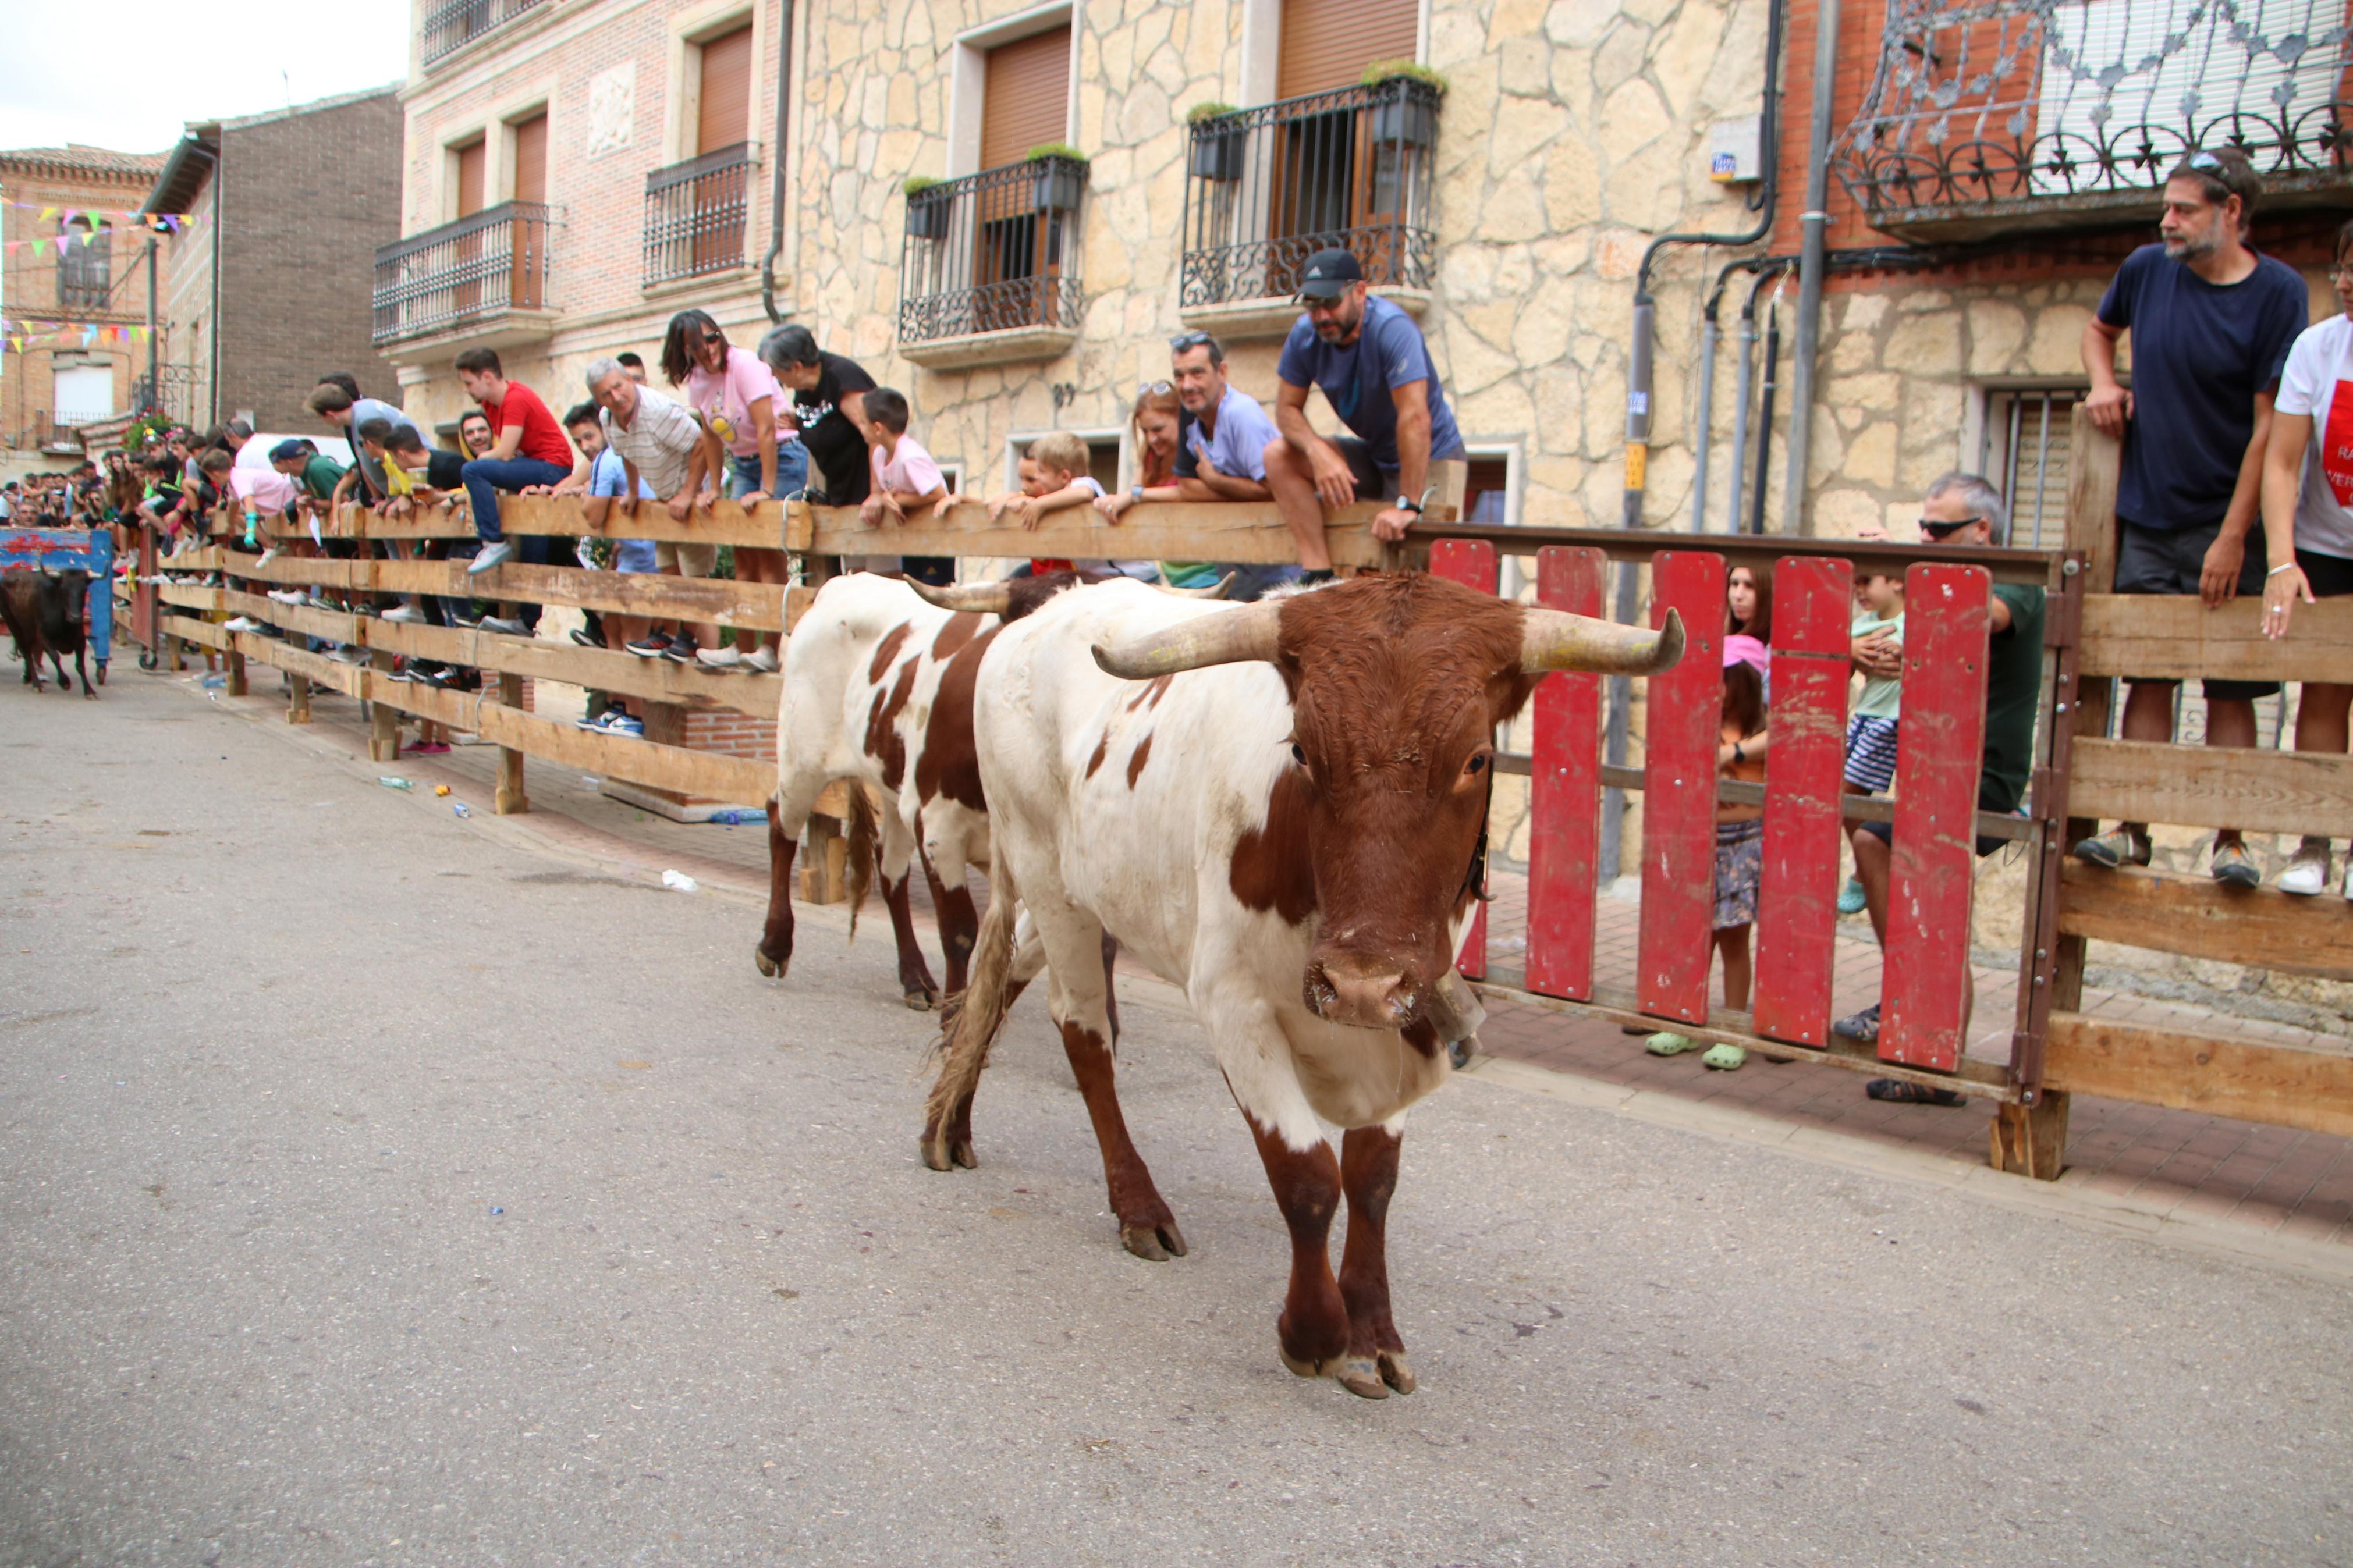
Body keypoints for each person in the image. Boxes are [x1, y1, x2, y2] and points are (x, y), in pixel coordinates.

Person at [2075, 147, 2308, 888]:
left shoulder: (2277, 293)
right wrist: (2103, 383)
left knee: (2231, 682)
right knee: (2148, 675)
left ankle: (2229, 842)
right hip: (2147, 514)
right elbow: (2095, 330)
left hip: (2228, 521)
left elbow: (2268, 428)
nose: (2165, 220)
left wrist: (2233, 537)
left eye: (2182, 209)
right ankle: (2130, 829)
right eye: (2165, 207)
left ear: (2230, 212)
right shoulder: (2146, 269)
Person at [1833, 474, 2045, 1105]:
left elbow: (1973, 616)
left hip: (1981, 781)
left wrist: (1901, 563)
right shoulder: (1938, 583)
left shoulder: (2016, 588)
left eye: (1936, 531)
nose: (1925, 540)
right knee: (1921, 892)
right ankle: (1928, 1037)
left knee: (1876, 844)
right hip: (1935, 771)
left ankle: (1910, 996)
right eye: (1921, 528)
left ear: (1981, 532)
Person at [2255, 215, 2353, 898]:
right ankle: (2313, 844)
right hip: (2324, 544)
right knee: (2322, 690)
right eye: (2342, 266)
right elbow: (2282, 461)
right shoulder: (2317, 348)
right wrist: (2281, 560)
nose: (2345, 282)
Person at [1263, 247, 1466, 575]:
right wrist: (1317, 452)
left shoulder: (1393, 328)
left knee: (1417, 586)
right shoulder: (1304, 336)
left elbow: (1415, 420)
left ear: (1359, 291)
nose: (1322, 316)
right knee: (1278, 456)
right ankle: (1318, 574)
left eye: (1330, 302)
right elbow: (1286, 410)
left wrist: (1408, 505)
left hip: (1431, 458)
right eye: (1312, 305)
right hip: (1377, 456)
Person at [1644, 634, 1773, 1070]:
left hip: (1743, 844)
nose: (1712, 689)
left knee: (1734, 938)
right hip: (1702, 843)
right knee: (1694, 937)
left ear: (1744, 682)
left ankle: (1733, 1029)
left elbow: (1785, 740)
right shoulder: (1701, 724)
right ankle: (1685, 1019)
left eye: (1721, 680)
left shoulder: (1760, 729)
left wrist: (1731, 752)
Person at [666, 308, 800, 671]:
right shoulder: (697, 380)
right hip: (742, 461)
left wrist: (767, 489)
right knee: (742, 557)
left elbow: (767, 428)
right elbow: (710, 434)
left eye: (712, 337)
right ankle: (742, 650)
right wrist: (713, 486)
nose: (709, 347)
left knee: (770, 555)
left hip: (780, 457)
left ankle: (769, 650)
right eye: (698, 343)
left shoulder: (744, 364)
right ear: (685, 350)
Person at [585, 355, 722, 666]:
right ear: (598, 399)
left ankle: (688, 640)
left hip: (695, 494)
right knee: (669, 568)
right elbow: (627, 453)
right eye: (606, 393)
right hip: (665, 499)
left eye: (619, 387)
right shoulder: (609, 418)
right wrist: (633, 491)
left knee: (693, 573)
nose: (616, 397)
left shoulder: (659, 412)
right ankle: (671, 634)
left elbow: (701, 444)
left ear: (630, 381)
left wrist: (689, 493)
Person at [559, 399, 657, 735]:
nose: (586, 447)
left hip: (643, 560)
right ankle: (617, 707)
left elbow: (593, 515)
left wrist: (584, 496)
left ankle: (635, 716)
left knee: (632, 637)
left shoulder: (609, 458)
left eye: (589, 437)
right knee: (612, 627)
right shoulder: (626, 455)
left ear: (605, 429)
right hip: (634, 556)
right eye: (579, 442)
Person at [856, 386, 949, 583]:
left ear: (878, 428)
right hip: (911, 535)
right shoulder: (880, 455)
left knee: (933, 592)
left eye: (863, 423)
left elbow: (938, 493)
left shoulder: (910, 456)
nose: (860, 427)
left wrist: (898, 499)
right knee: (911, 588)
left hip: (936, 536)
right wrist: (886, 497)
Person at [991, 431, 1103, 575]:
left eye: (1042, 472)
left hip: (1115, 572)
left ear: (1064, 476)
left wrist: (1040, 504)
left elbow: (1084, 493)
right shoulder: (1059, 497)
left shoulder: (1083, 483)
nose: (1038, 477)